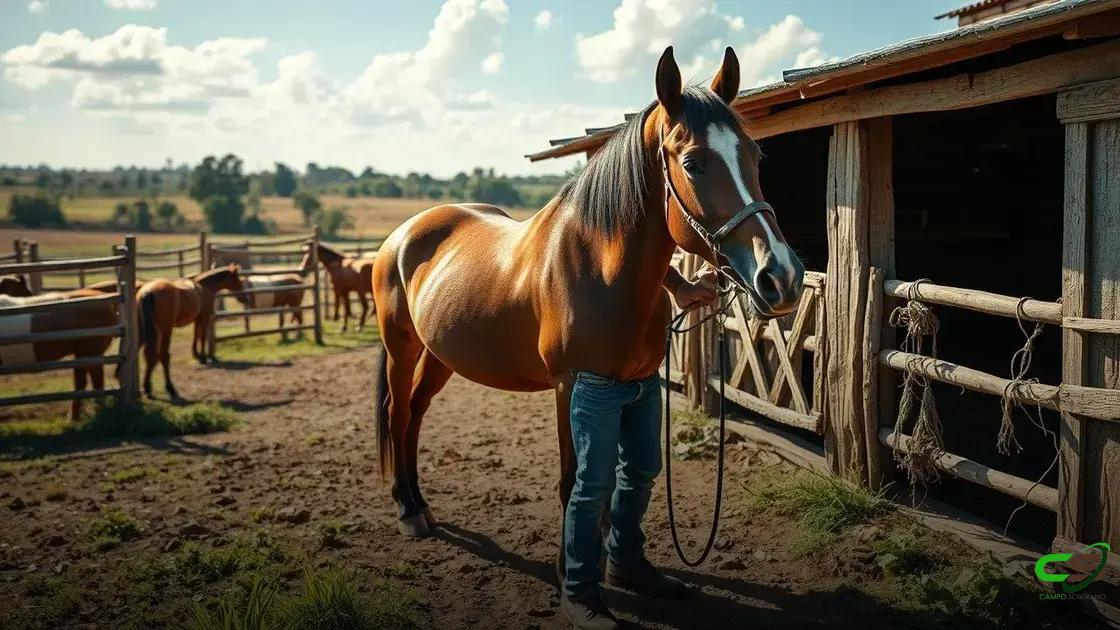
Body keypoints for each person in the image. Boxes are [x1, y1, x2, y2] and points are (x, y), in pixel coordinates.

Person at [560, 266, 719, 630]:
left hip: (644, 380)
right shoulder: (595, 221)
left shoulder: (639, 216)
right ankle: (579, 590)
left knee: (643, 469)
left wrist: (679, 286)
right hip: (597, 380)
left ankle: (625, 561)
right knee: (593, 486)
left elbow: (650, 248)